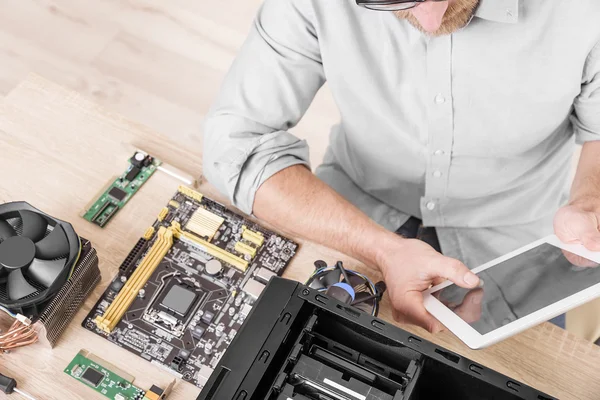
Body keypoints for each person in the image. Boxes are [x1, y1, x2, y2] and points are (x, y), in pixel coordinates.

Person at [203, 0, 600, 336]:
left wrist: (589, 202)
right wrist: (382, 248)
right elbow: (238, 143)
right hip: (351, 210)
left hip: (517, 238)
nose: (430, 22)